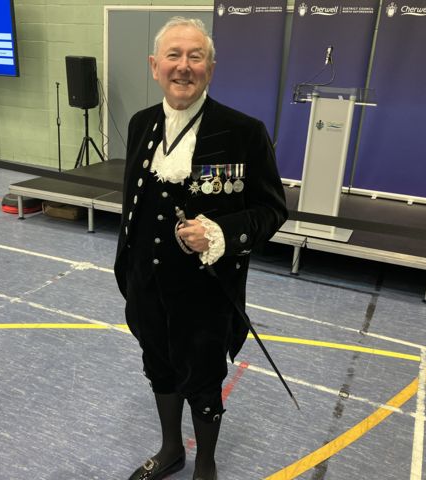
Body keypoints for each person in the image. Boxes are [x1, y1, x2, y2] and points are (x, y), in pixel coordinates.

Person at [114, 17, 287, 480]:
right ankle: (171, 449)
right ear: (155, 66)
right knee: (159, 368)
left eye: (195, 57)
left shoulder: (243, 132)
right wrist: (130, 274)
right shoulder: (140, 124)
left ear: (210, 68)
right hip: (146, 284)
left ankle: (205, 466)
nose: (183, 67)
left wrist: (222, 233)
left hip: (206, 293)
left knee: (204, 384)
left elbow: (272, 210)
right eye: (173, 56)